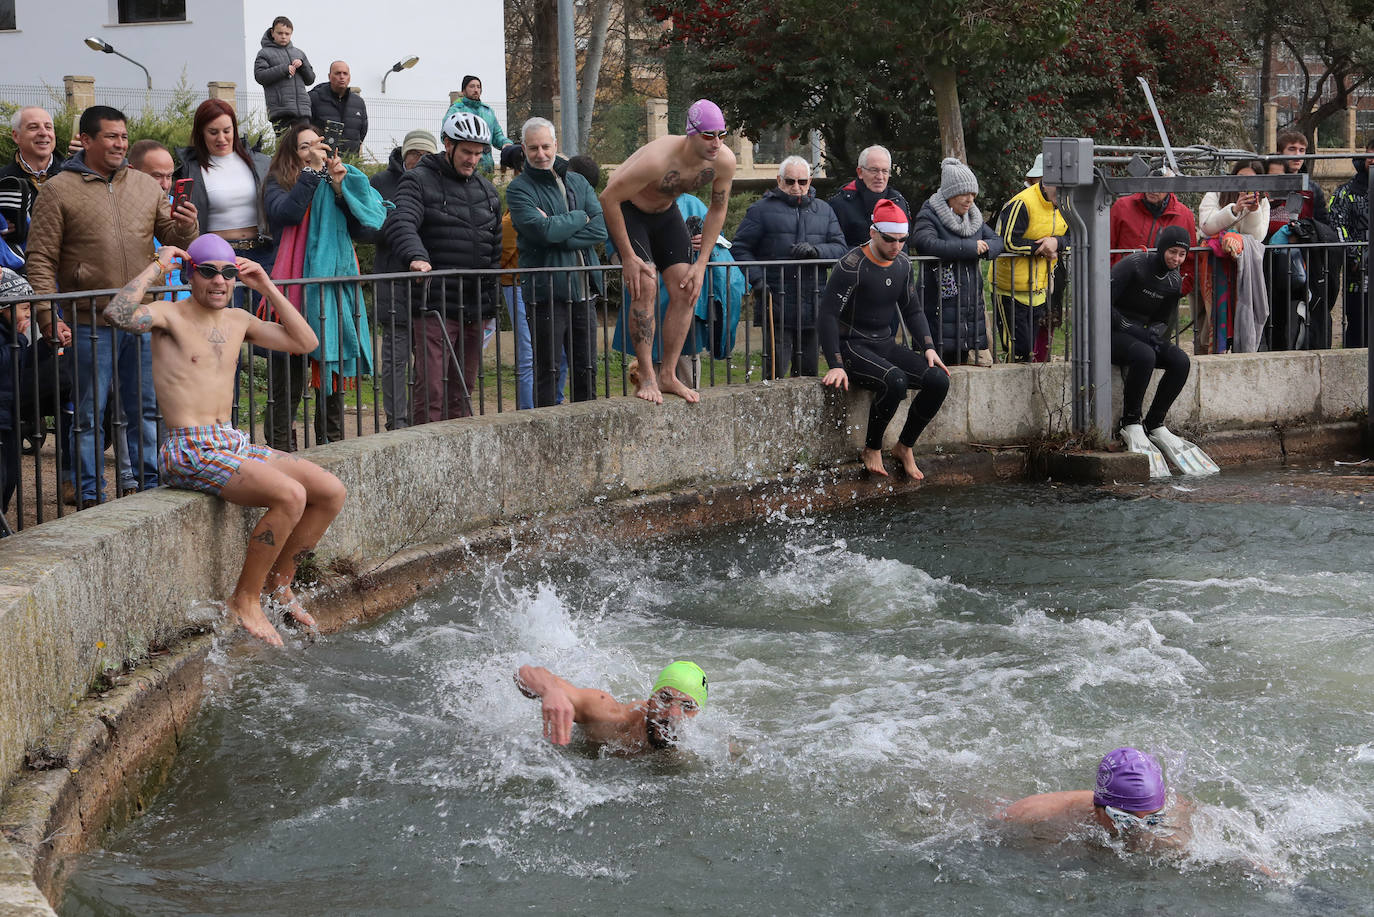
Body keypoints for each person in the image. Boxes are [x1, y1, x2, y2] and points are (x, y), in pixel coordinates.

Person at [101, 234, 346, 646]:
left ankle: (279, 586)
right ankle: (244, 599)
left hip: (229, 440)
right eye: (209, 271)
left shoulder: (238, 320)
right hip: (188, 447)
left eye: (229, 273)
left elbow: (306, 343)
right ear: (190, 274)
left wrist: (266, 286)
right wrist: (158, 267)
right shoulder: (168, 314)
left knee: (330, 491)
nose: (220, 281)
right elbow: (117, 313)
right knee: (289, 495)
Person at [26, 105, 198, 509]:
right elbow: (40, 259)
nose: (120, 143)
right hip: (88, 318)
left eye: (123, 136)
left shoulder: (143, 185)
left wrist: (187, 224)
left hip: (140, 318)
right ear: (86, 140)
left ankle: (150, 488)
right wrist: (47, 316)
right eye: (111, 137)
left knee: (146, 408)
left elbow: (174, 238)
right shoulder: (57, 190)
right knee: (88, 413)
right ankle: (90, 496)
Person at [599, 99, 737, 404]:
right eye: (708, 135)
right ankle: (647, 374)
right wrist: (628, 258)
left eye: (722, 135)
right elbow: (608, 198)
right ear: (691, 133)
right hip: (629, 211)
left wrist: (701, 263)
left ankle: (668, 375)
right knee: (645, 285)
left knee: (688, 286)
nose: (716, 143)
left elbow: (718, 209)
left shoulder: (723, 161)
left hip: (665, 213)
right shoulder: (658, 160)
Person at [262, 120, 385, 451]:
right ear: (292, 154)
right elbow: (287, 214)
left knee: (331, 386)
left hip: (330, 297)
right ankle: (281, 460)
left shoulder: (335, 180)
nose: (314, 150)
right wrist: (312, 174)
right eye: (305, 146)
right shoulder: (278, 183)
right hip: (290, 299)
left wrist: (340, 190)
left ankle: (330, 456)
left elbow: (366, 230)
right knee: (285, 390)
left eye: (318, 143)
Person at [819, 199, 950, 480]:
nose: (897, 246)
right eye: (890, 239)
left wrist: (928, 346)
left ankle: (904, 446)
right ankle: (872, 447)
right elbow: (827, 315)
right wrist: (835, 363)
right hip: (853, 346)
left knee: (938, 380)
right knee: (895, 381)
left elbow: (912, 309)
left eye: (903, 240)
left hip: (884, 343)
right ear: (873, 232)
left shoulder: (902, 263)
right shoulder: (851, 266)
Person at [387, 109, 503, 423]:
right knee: (432, 389)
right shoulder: (418, 180)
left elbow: (494, 251)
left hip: (475, 307)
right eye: (466, 151)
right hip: (434, 305)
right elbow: (402, 222)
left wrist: (492, 304)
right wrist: (417, 256)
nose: (472, 159)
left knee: (462, 391)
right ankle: (423, 455)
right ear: (448, 144)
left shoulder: (488, 192)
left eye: (479, 153)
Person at [507, 117, 607, 408]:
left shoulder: (577, 181)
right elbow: (542, 231)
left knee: (586, 369)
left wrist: (558, 232)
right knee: (547, 372)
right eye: (534, 148)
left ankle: (587, 432)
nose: (541, 154)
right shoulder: (519, 189)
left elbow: (600, 229)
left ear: (556, 145)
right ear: (524, 149)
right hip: (545, 293)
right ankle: (545, 435)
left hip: (584, 291)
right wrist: (579, 218)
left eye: (546, 147)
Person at [1110, 226, 1218, 477]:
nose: (1176, 259)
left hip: (1139, 335)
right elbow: (1104, 302)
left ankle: (1155, 423)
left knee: (1180, 361)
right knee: (1145, 356)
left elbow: (1161, 319)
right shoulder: (1134, 265)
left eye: (1182, 254)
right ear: (1161, 248)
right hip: (1110, 332)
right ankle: (1131, 422)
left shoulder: (1173, 281)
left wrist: (1154, 335)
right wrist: (1133, 329)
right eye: (1172, 252)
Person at [731, 155, 847, 379]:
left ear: (809, 182)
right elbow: (740, 248)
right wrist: (758, 280)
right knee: (775, 372)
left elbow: (841, 249)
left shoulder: (824, 210)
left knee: (810, 372)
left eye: (802, 182)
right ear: (779, 180)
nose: (796, 187)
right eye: (790, 181)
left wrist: (816, 251)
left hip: (814, 302)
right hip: (776, 301)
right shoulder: (760, 210)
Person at [1000, 746, 1192, 852]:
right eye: (1125, 819)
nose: (1138, 829)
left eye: (1153, 820)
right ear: (1097, 807)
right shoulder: (1037, 814)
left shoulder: (1179, 821)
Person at [371, 129, 438, 429]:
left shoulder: (439, 183)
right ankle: (396, 423)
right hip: (394, 282)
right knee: (395, 362)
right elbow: (363, 227)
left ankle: (424, 420)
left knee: (428, 364)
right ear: (404, 153)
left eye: (426, 155)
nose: (419, 159)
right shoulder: (380, 184)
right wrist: (398, 226)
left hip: (429, 289)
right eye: (414, 154)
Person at [912, 157, 1003, 366]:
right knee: (938, 363)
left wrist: (984, 250)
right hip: (939, 304)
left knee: (961, 359)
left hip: (969, 306)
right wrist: (970, 249)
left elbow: (997, 241)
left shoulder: (974, 217)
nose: (970, 199)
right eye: (964, 193)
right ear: (950, 193)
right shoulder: (930, 214)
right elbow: (925, 243)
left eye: (973, 194)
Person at [175, 99, 275, 290]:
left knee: (267, 315)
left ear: (235, 130)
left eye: (227, 131)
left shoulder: (260, 162)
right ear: (201, 133)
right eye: (213, 132)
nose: (221, 138)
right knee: (223, 317)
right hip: (217, 256)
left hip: (263, 252)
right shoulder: (191, 170)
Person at [514, 660, 708, 753]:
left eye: (687, 706)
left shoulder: (702, 747)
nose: (673, 713)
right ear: (651, 698)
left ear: (698, 713)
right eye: (665, 698)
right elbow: (525, 673)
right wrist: (550, 691)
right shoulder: (609, 717)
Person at [992, 161, 1068, 362]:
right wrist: (1042, 249)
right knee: (1019, 350)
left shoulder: (1066, 205)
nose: (1063, 195)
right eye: (1059, 189)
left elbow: (1074, 238)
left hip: (1040, 288)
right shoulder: (1022, 203)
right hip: (1011, 289)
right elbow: (1007, 241)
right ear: (1045, 183)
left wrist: (1056, 242)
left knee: (1030, 351)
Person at [1196, 160, 1270, 353]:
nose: (1245, 184)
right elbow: (1206, 227)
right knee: (1209, 319)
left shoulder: (1262, 201)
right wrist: (1234, 209)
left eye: (1252, 180)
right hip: (1212, 268)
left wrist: (1253, 212)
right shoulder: (1216, 193)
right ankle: (1208, 354)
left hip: (1242, 270)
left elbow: (1257, 237)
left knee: (1240, 315)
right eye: (1241, 178)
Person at [1109, 167, 1199, 296]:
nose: (1154, 190)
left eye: (1161, 186)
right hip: (1122, 288)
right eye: (1150, 183)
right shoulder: (1122, 207)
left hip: (1163, 294)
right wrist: (1112, 282)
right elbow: (1106, 248)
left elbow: (1190, 261)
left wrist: (1177, 291)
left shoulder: (1184, 215)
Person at [497, 143, 534, 410]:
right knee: (528, 353)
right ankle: (528, 409)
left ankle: (538, 405)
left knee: (533, 353)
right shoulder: (513, 213)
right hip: (517, 283)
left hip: (526, 281)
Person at [0, 106, 61, 261]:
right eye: (33, 127)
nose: (43, 133)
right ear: (16, 136)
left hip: (70, 272)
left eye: (48, 127)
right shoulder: (3, 180)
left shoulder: (74, 176)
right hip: (23, 272)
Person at [1329, 137, 1374, 347]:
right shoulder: (1345, 192)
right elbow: (1337, 224)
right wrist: (1356, 255)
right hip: (1359, 273)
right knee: (1359, 325)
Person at [828, 145, 911, 248]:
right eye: (874, 170)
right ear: (860, 172)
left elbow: (905, 244)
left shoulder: (898, 201)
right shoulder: (840, 204)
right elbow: (837, 247)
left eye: (885, 171)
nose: (880, 177)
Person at [254, 15, 315, 136]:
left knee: (305, 144)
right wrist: (283, 69)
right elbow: (260, 76)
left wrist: (302, 66)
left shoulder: (299, 53)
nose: (283, 36)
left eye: (287, 34)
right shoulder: (264, 53)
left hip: (302, 111)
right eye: (280, 33)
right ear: (272, 33)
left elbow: (310, 79)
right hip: (281, 110)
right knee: (285, 148)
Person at [442, 75, 515, 174]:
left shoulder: (488, 111)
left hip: (487, 168)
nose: (476, 90)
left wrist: (506, 144)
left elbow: (497, 135)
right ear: (463, 90)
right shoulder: (456, 110)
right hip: (465, 166)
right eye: (472, 86)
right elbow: (445, 134)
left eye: (478, 87)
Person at [308, 61, 368, 156]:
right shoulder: (314, 98)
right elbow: (307, 128)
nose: (342, 77)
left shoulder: (358, 103)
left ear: (349, 77)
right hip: (322, 159)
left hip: (350, 161)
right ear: (329, 76)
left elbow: (363, 130)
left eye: (345, 73)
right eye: (337, 73)